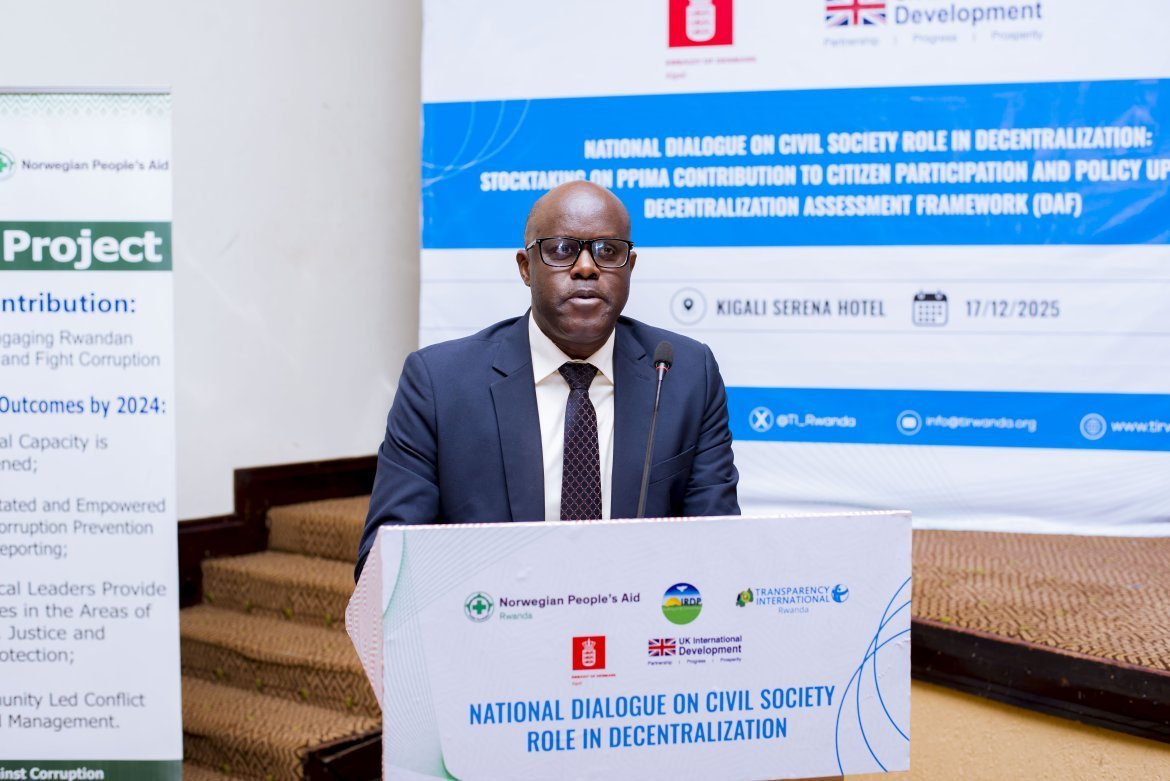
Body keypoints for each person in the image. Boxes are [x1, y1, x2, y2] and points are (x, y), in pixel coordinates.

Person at [355, 181, 739, 578]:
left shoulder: (684, 376)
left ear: (630, 267)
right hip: (495, 610)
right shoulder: (439, 383)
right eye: (561, 249)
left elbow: (720, 548)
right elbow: (386, 561)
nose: (587, 267)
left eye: (608, 251)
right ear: (526, 267)